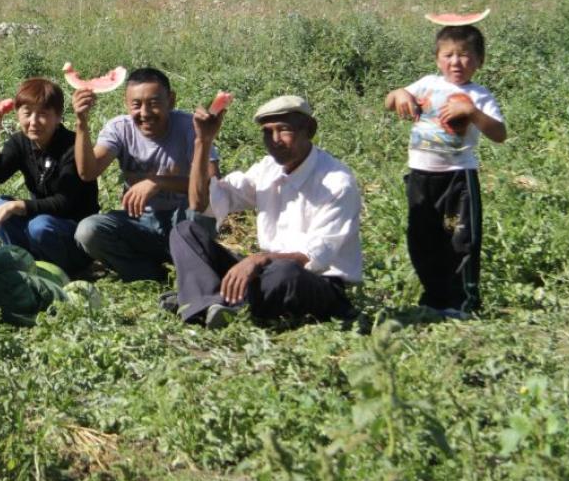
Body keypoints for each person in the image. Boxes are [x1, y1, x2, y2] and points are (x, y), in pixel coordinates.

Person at [168, 95, 362, 328]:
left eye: (284, 130)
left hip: (315, 282)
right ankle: (214, 303)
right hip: (267, 270)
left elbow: (314, 257)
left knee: (285, 273)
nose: (275, 140)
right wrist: (203, 142)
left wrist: (259, 259)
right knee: (184, 231)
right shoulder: (267, 169)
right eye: (267, 132)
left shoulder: (337, 183)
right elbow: (200, 204)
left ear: (308, 130)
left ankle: (206, 301)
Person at [384, 23, 506, 318]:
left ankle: (462, 302)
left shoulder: (479, 95)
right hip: (420, 176)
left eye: (465, 55)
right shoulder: (426, 84)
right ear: (437, 59)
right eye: (448, 55)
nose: (456, 62)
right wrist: (399, 93)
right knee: (421, 239)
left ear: (480, 61)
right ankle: (434, 298)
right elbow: (389, 101)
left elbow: (500, 134)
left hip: (457, 178)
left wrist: (472, 114)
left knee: (461, 239)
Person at [71, 67, 217, 282]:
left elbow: (213, 184)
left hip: (184, 220)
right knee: (88, 231)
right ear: (125, 103)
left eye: (154, 103)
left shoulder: (191, 128)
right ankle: (150, 275)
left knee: (201, 212)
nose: (145, 113)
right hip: (140, 223)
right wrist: (81, 123)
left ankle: (192, 274)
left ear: (172, 100)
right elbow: (87, 172)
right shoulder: (119, 128)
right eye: (136, 105)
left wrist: (158, 182)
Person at [0, 78, 99, 274]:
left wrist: (17, 205)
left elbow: (64, 202)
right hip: (43, 220)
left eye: (43, 114)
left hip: (73, 231)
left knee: (39, 226)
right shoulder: (21, 142)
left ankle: (66, 271)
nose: (33, 122)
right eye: (27, 113)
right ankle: (22, 265)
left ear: (58, 116)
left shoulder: (73, 146)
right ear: (18, 114)